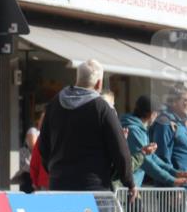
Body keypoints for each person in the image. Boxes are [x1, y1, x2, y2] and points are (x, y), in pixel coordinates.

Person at [37, 59, 134, 196]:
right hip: (93, 188)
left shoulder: (54, 103)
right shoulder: (102, 108)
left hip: (59, 185)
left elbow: (43, 145)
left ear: (77, 78)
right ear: (99, 83)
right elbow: (120, 149)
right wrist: (129, 182)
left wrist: (54, 170)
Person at [121, 95, 187, 188]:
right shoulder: (134, 130)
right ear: (152, 113)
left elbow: (152, 158)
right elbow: (146, 162)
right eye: (157, 113)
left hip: (131, 188)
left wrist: (176, 173)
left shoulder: (141, 129)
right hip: (126, 188)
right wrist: (172, 180)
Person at [150, 84, 187, 184]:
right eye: (185, 100)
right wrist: (172, 184)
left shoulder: (184, 125)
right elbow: (162, 157)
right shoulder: (165, 123)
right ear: (173, 102)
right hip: (177, 190)